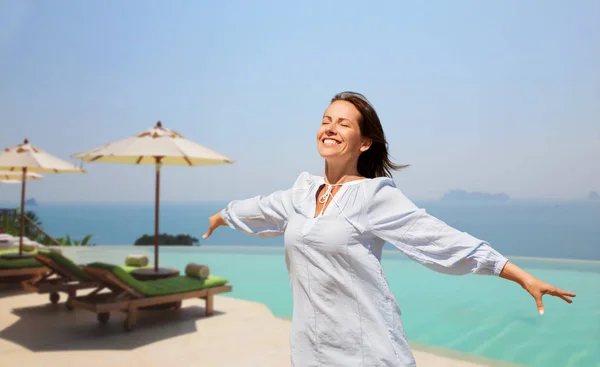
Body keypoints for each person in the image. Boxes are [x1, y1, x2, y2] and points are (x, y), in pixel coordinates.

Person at [202, 91, 576, 367]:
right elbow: (260, 208)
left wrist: (518, 274)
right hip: (310, 353)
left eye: (343, 123)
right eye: (325, 120)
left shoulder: (373, 195)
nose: (330, 128)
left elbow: (439, 239)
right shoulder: (301, 193)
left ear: (364, 142)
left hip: (368, 353)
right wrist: (223, 215)